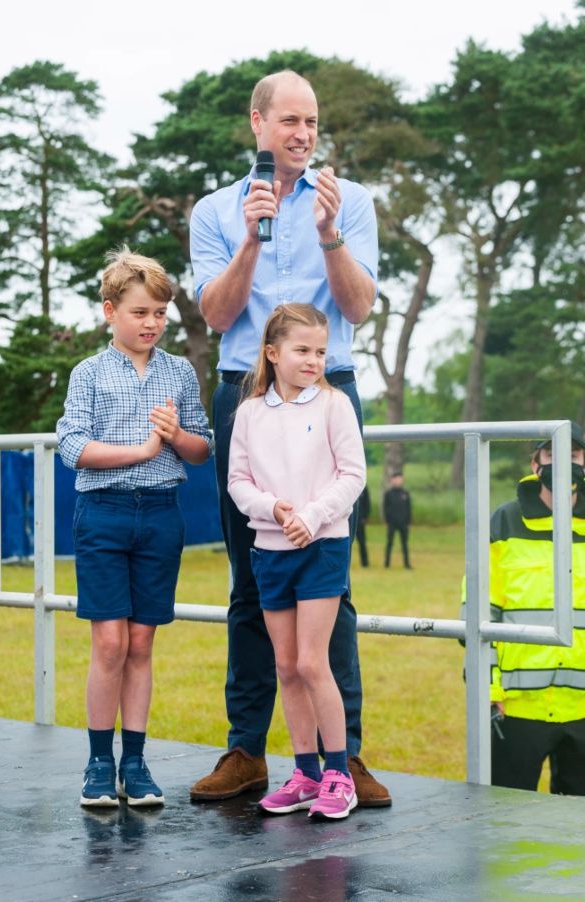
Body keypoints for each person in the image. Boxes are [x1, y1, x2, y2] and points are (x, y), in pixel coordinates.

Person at [189, 69, 391, 806]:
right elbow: (216, 314)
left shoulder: (353, 203)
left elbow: (360, 307)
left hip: (330, 387)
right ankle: (248, 751)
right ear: (257, 122)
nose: (304, 134)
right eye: (290, 121)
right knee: (251, 576)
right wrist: (248, 239)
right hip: (244, 392)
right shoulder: (215, 209)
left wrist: (332, 236)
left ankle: (348, 757)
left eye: (313, 122)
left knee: (331, 577)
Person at [57, 248, 212, 807]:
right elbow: (73, 447)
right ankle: (99, 763)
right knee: (109, 642)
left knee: (142, 642)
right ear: (110, 311)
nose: (152, 324)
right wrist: (142, 448)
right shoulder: (88, 373)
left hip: (161, 515)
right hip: (103, 514)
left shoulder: (178, 371)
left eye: (160, 314)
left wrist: (173, 439)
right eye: (141, 312)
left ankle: (137, 764)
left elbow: (200, 449)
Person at [228, 303, 365, 820]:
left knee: (312, 662)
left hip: (322, 548)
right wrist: (273, 509)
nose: (314, 360)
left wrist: (312, 516)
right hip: (270, 550)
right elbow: (238, 481)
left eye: (321, 351)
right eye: (302, 350)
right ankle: (305, 773)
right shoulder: (248, 413)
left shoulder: (334, 406)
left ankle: (338, 773)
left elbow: (352, 475)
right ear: (272, 352)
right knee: (285, 666)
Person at [470, 422, 585, 792]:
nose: (565, 463)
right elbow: (477, 615)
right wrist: (487, 690)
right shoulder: (503, 520)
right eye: (553, 455)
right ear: (536, 463)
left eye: (575, 454)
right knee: (506, 824)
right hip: (517, 708)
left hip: (582, 707)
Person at [383, 473, 412, 569]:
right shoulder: (388, 494)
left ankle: (407, 564)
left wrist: (408, 522)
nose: (398, 481)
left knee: (404, 544)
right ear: (392, 480)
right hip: (392, 523)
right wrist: (387, 520)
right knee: (389, 543)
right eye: (396, 479)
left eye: (400, 479)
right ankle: (387, 564)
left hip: (403, 523)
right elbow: (385, 508)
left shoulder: (405, 494)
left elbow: (409, 508)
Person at [356, 486, 370, 567]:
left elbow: (367, 503)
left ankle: (365, 562)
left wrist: (365, 517)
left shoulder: (364, 488)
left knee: (362, 542)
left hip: (360, 520)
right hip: (349, 521)